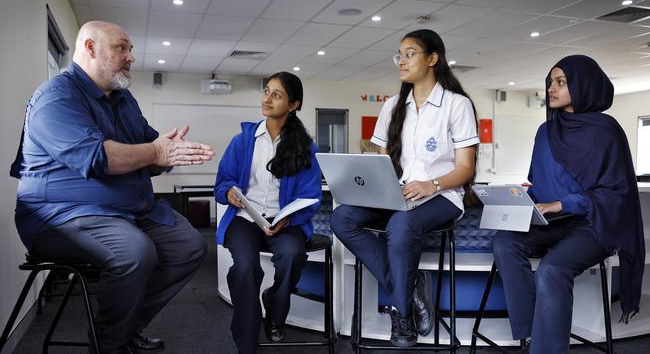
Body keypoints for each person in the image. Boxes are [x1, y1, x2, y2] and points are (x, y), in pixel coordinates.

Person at [10, 21, 214, 354]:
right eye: (122, 47)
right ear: (90, 48)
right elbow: (97, 158)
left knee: (189, 246)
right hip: (58, 215)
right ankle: (110, 345)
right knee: (135, 252)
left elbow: (151, 152)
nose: (131, 56)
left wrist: (169, 152)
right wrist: (157, 151)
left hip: (126, 212)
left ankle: (125, 326)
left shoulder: (124, 100)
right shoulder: (55, 96)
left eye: (130, 49)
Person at [330, 29, 479, 347]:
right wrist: (380, 187)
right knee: (342, 218)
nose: (401, 60)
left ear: (433, 59)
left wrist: (431, 184)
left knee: (401, 224)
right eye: (399, 54)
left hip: (443, 195)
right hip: (398, 194)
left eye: (410, 53)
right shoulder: (392, 106)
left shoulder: (456, 105)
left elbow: (465, 170)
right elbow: (382, 163)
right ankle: (411, 292)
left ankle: (402, 314)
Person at [491, 55, 645, 354]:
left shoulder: (606, 131)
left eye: (560, 82)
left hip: (593, 226)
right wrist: (522, 200)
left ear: (582, 84)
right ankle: (532, 334)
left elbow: (616, 193)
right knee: (504, 243)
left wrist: (561, 204)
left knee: (552, 269)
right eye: (551, 82)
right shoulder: (545, 131)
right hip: (552, 224)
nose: (552, 88)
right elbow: (537, 182)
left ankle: (547, 348)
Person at [214, 71, 322, 354]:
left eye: (277, 94)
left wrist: (288, 217)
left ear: (293, 104)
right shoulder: (243, 140)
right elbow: (223, 180)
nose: (268, 99)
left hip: (284, 221)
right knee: (245, 267)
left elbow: (311, 197)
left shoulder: (306, 148)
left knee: (292, 256)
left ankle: (275, 309)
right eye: (267, 92)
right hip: (245, 219)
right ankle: (247, 343)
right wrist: (228, 192)